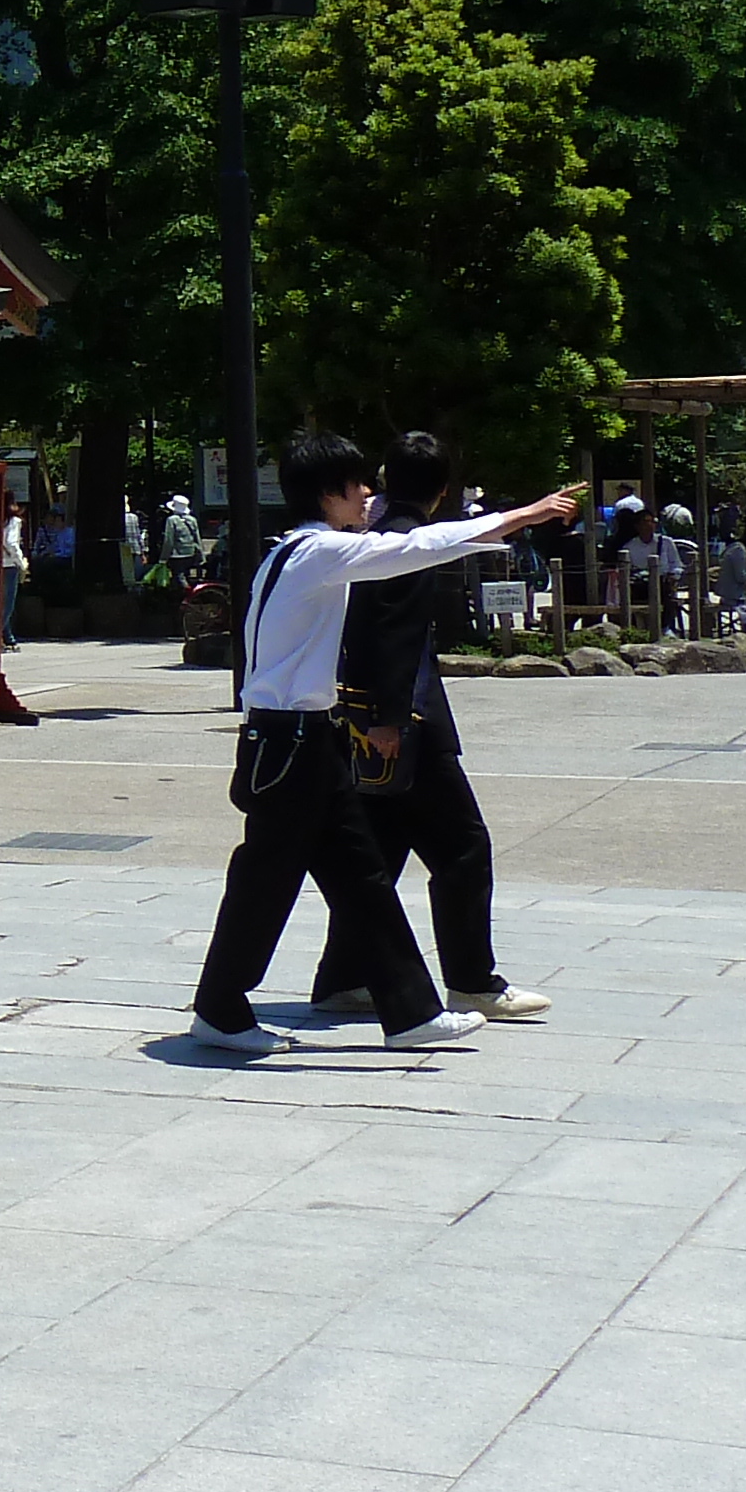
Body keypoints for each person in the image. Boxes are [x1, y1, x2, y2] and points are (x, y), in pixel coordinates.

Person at [190, 432, 579, 1056]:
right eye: (357, 485)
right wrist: (522, 516)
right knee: (268, 881)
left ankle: (409, 1012)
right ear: (330, 494)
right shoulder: (319, 551)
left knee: (361, 878)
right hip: (291, 744)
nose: (368, 495)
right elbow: (417, 547)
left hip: (299, 740)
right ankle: (219, 1010)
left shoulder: (288, 551)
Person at [304, 434, 545, 1026]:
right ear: (442, 490)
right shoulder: (410, 543)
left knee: (380, 855)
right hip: (408, 722)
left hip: (363, 718)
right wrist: (391, 719)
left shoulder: (369, 534)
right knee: (464, 847)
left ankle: (344, 976)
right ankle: (471, 980)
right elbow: (396, 633)